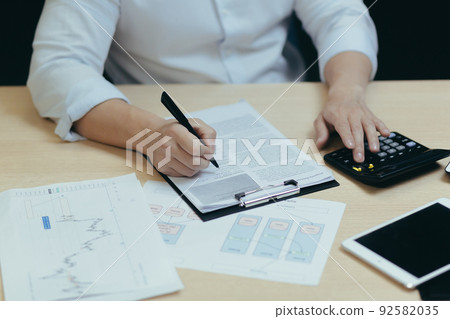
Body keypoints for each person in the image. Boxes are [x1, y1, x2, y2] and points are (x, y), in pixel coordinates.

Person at [28, 0, 390, 177]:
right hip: (159, 125)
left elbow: (341, 14)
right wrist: (150, 133)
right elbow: (59, 65)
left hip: (289, 113)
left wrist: (347, 92)